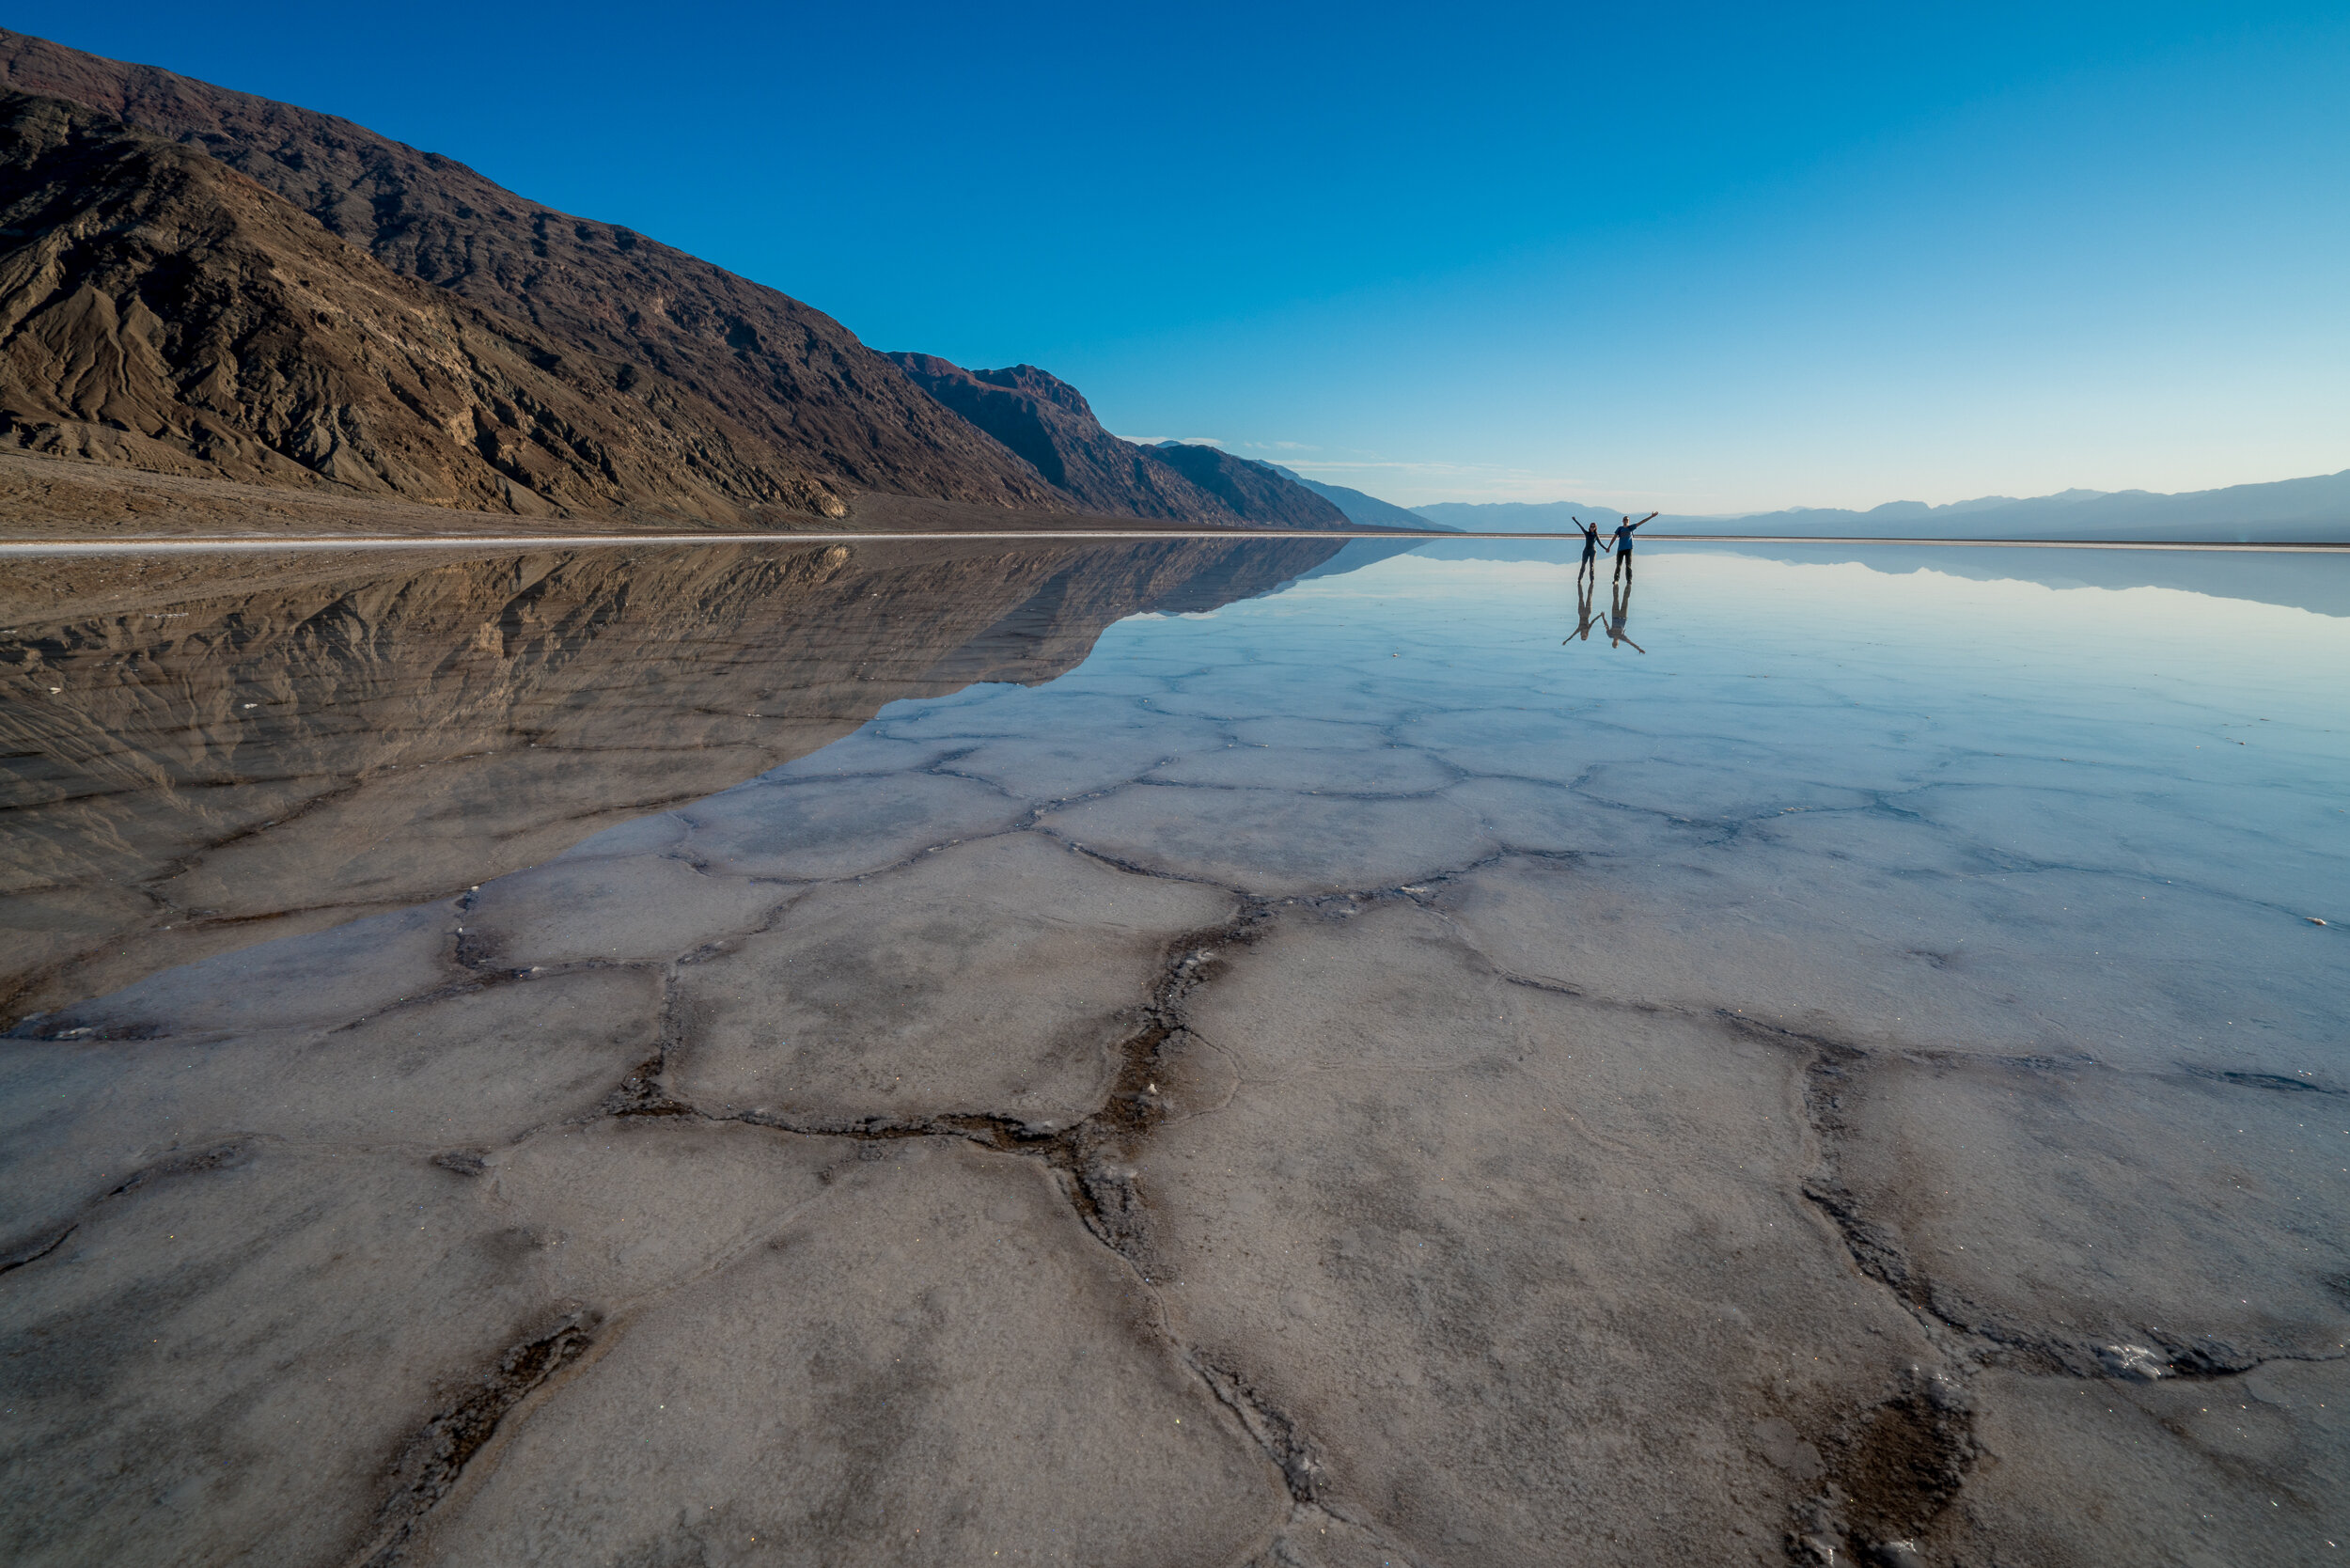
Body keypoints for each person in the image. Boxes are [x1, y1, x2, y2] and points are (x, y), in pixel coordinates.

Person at [1611, 511, 1657, 581]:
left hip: (1629, 549)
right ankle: (1616, 580)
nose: (1626, 521)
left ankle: (1629, 581)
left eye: (1627, 520)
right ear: (1623, 521)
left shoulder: (1631, 528)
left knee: (1628, 566)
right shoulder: (1620, 529)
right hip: (1620, 549)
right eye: (1625, 519)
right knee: (1618, 566)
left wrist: (1651, 517)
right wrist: (1609, 547)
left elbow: (1641, 522)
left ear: (1629, 521)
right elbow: (1614, 538)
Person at [1572, 514, 1606, 583]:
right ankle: (1579, 579)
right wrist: (1575, 520)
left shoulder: (1596, 536)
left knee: (1592, 566)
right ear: (1589, 527)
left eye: (1593, 527)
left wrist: (1606, 548)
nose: (1592, 528)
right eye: (1591, 526)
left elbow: (1600, 543)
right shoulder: (1587, 533)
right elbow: (1581, 527)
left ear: (1595, 528)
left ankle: (1592, 580)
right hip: (1586, 551)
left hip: (1592, 551)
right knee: (1583, 565)